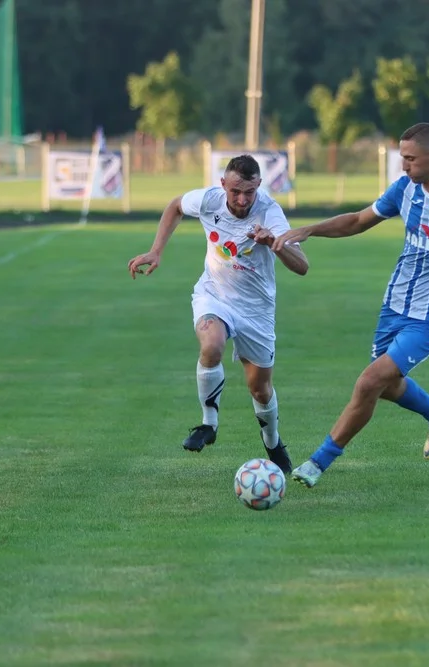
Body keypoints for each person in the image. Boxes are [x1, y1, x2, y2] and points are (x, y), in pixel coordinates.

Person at [271, 122, 429, 488]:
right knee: (386, 385)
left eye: (409, 158)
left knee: (369, 382)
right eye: (401, 158)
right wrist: (310, 230)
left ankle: (317, 463)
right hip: (394, 307)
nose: (403, 166)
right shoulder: (404, 190)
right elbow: (358, 220)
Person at [127, 155, 310, 473]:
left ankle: (273, 443)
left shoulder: (270, 212)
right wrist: (156, 249)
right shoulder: (209, 200)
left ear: (259, 187)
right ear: (223, 184)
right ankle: (208, 424)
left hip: (256, 310)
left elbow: (302, 266)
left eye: (249, 192)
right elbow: (175, 206)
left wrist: (274, 243)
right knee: (211, 345)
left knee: (259, 389)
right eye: (235, 191)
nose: (241, 200)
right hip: (215, 295)